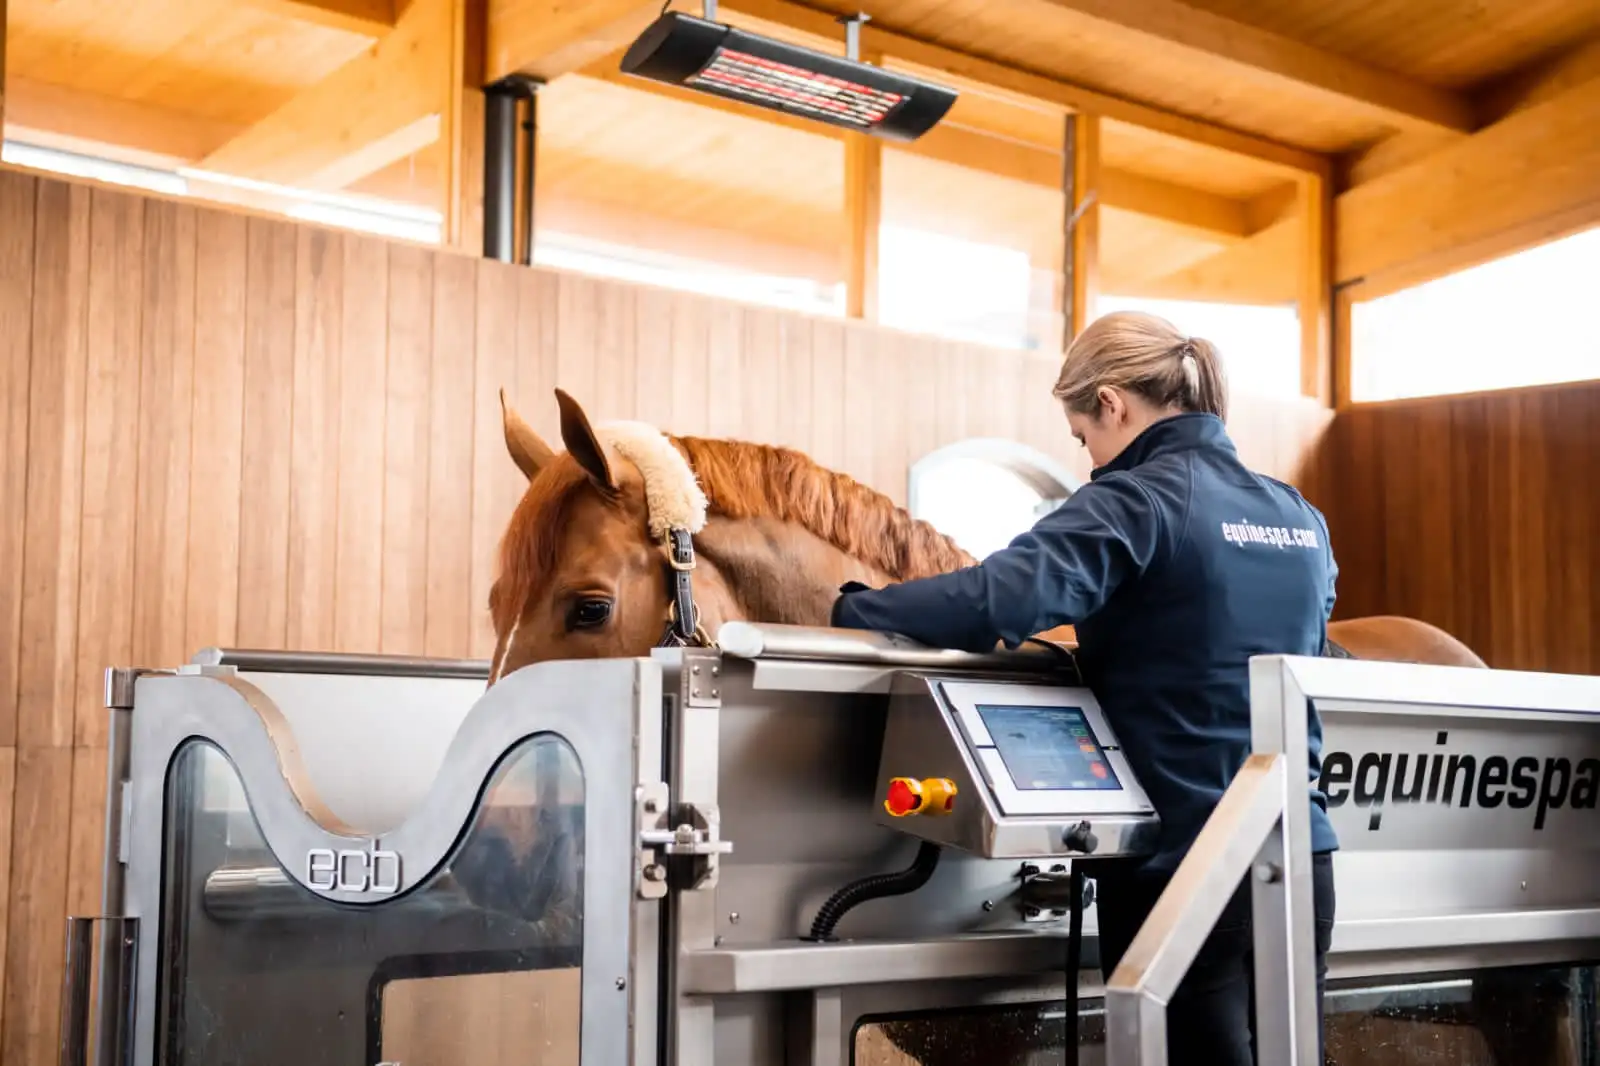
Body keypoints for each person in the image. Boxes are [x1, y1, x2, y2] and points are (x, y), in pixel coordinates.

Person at [831, 310, 1339, 1066]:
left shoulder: (1138, 499)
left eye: (1082, 438)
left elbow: (996, 602)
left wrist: (851, 609)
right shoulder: (1299, 517)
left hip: (1188, 869)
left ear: (1111, 403)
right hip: (1304, 859)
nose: (1091, 459)